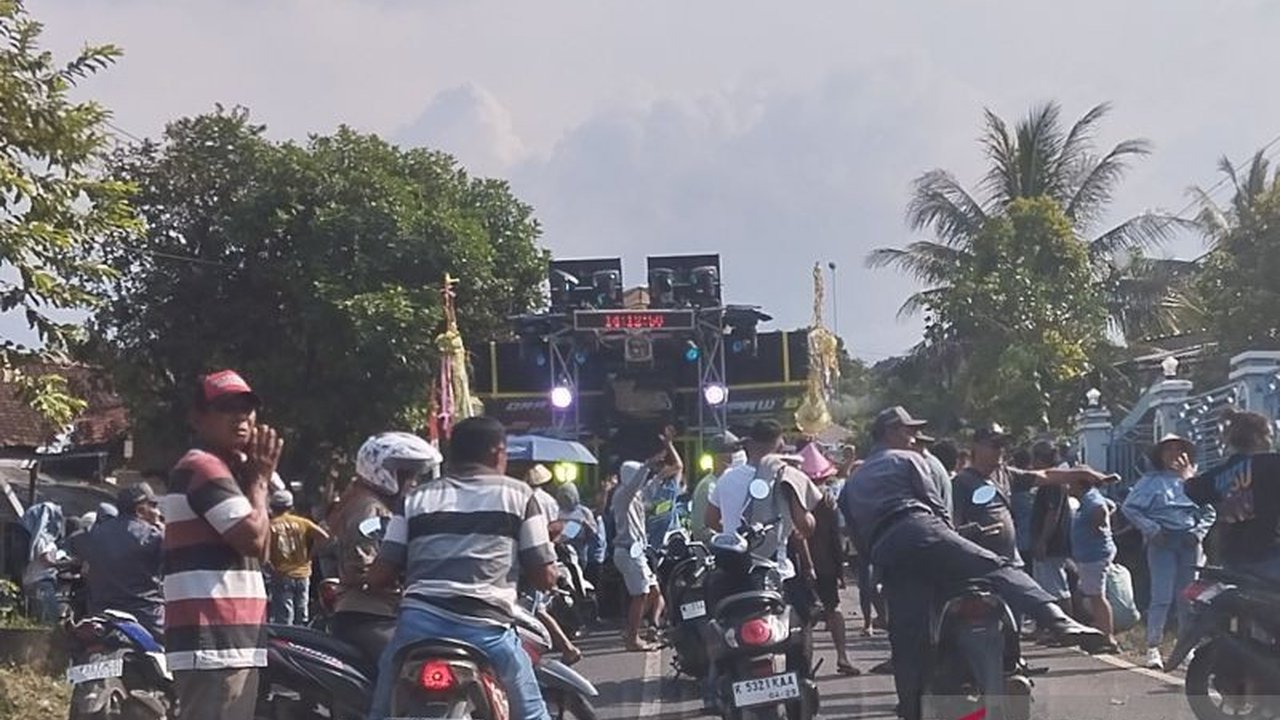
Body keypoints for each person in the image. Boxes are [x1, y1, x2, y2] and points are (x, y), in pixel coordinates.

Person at [839, 406, 1108, 720]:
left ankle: (911, 710)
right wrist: (950, 540)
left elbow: (856, 536)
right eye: (908, 431)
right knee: (997, 567)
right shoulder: (910, 460)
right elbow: (936, 507)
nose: (914, 438)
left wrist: (878, 568)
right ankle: (1057, 619)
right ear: (889, 432)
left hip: (888, 553)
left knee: (905, 641)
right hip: (923, 530)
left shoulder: (852, 482)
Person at [366, 416, 557, 720]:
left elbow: (382, 572)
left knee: (380, 709)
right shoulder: (520, 495)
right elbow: (543, 576)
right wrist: (550, 576)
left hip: (418, 628)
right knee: (532, 713)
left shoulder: (415, 498)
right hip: (487, 628)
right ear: (498, 452)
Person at [162, 370, 281, 720]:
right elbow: (254, 540)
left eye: (247, 409)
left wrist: (253, 478)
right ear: (198, 418)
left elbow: (264, 547)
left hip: (228, 639)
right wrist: (259, 481)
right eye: (227, 408)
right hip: (214, 639)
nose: (241, 418)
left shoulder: (226, 470)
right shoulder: (204, 468)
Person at [329, 432, 442, 665]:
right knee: (405, 666)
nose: (413, 482)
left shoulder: (370, 504)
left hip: (379, 613)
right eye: (407, 474)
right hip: (369, 615)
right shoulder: (371, 510)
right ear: (382, 472)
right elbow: (364, 564)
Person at [1122, 433, 1214, 670]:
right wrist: (1151, 529)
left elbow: (1209, 512)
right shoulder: (1149, 482)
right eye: (1168, 449)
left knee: (1187, 598)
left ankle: (1186, 647)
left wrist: (1198, 533)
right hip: (1162, 541)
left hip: (1189, 542)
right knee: (1161, 596)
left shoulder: (1194, 480)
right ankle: (1153, 647)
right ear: (1160, 455)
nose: (1174, 454)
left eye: (1178, 449)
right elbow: (1130, 508)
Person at [1184, 409, 1280, 582]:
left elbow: (1193, 490)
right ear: (1259, 437)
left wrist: (1187, 474)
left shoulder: (1221, 472)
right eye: (1270, 435)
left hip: (1232, 558)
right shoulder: (1272, 463)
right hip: (1270, 555)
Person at [612, 429, 681, 652]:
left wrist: (668, 447)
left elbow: (674, 469)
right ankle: (633, 638)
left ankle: (632, 629)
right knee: (640, 594)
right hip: (627, 550)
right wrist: (648, 464)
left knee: (653, 592)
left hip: (637, 551)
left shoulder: (639, 495)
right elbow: (636, 483)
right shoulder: (622, 495)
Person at [798, 443, 859, 676]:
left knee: (802, 617)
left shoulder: (794, 498)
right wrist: (840, 571)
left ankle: (804, 666)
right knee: (834, 609)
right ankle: (842, 657)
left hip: (800, 566)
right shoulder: (826, 501)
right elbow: (834, 539)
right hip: (825, 565)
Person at [83, 483, 165, 637]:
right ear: (140, 510)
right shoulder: (153, 535)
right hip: (147, 617)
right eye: (153, 505)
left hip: (100, 614)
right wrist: (161, 526)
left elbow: (86, 569)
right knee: (178, 643)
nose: (157, 511)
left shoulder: (96, 533)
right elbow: (178, 562)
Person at [1027, 441, 1075, 626]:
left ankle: (1067, 626)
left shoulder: (1052, 482)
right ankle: (1050, 626)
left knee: (1057, 588)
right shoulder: (1050, 480)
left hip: (1052, 544)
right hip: (1050, 542)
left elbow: (1052, 513)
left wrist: (1043, 541)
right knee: (1047, 587)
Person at [1070, 475, 1119, 651]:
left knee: (1097, 597)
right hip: (1089, 555)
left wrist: (1099, 526)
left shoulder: (1091, 499)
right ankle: (1099, 629)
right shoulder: (1088, 497)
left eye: (1071, 482)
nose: (1068, 486)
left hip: (1094, 555)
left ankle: (1107, 637)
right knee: (1092, 594)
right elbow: (1111, 505)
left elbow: (1101, 510)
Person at [267, 489, 330, 626]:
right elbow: (324, 537)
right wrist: (310, 555)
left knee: (284, 616)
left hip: (281, 574)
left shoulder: (270, 526)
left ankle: (285, 639)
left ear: (272, 506)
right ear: (291, 506)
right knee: (302, 613)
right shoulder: (303, 523)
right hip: (303, 573)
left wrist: (269, 565)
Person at [689, 432, 742, 543]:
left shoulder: (729, 484)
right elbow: (701, 529)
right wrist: (730, 536)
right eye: (733, 450)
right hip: (714, 550)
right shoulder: (708, 486)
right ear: (719, 457)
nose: (739, 453)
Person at [19, 501, 65, 624]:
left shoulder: (36, 538)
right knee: (49, 622)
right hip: (41, 583)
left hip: (33, 582)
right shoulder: (42, 539)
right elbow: (47, 561)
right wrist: (68, 563)